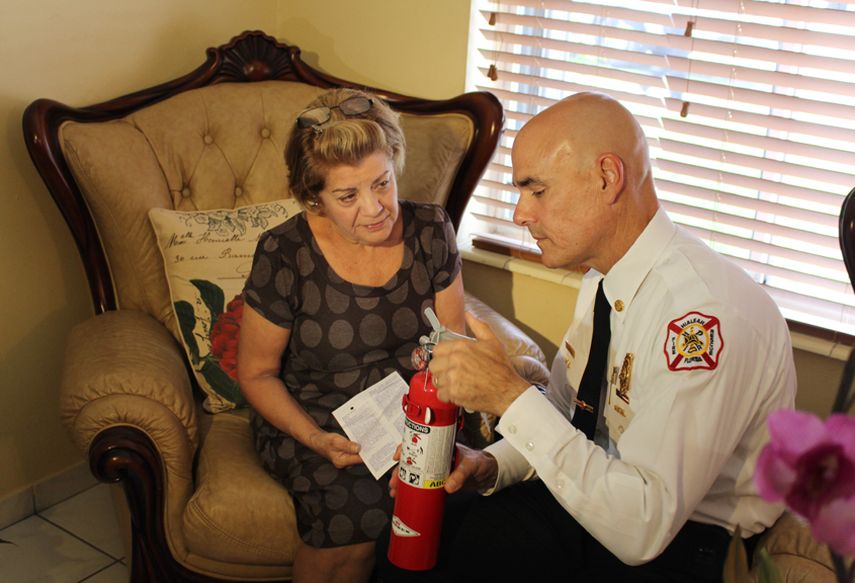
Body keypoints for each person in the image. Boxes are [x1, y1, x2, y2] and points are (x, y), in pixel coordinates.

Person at [380, 92, 796, 582]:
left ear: (607, 177)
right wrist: (489, 464)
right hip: (601, 491)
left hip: (684, 537)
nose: (519, 214)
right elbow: (567, 418)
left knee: (488, 548)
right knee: (433, 526)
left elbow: (643, 528)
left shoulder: (703, 320)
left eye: (536, 191)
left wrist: (508, 395)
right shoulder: (603, 278)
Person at [238, 88, 466, 583]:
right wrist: (317, 440)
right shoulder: (283, 253)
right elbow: (255, 374)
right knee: (357, 516)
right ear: (312, 198)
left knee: (454, 497)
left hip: (415, 411)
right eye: (347, 196)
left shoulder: (431, 230)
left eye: (382, 183)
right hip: (312, 415)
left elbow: (454, 346)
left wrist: (429, 436)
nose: (375, 208)